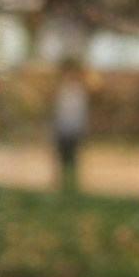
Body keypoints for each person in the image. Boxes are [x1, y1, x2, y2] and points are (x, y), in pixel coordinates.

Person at [52, 62, 91, 191]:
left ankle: (73, 185)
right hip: (62, 128)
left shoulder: (80, 91)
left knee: (73, 158)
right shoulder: (61, 90)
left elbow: (81, 113)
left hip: (74, 129)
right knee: (61, 158)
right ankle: (62, 185)